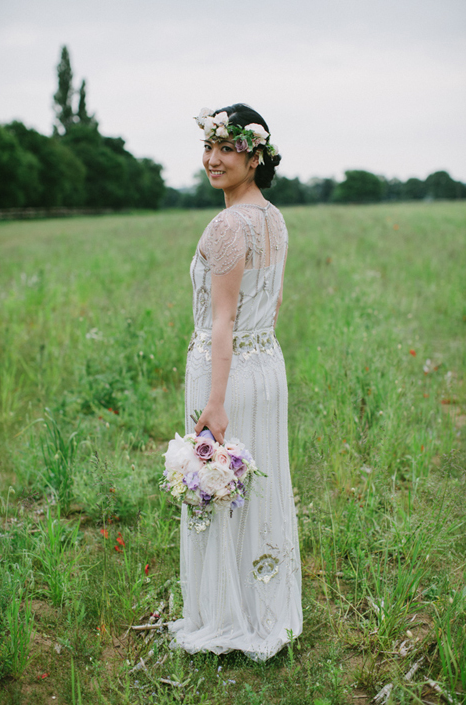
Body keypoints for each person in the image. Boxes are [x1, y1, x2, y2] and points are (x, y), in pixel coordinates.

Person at [168, 104, 302, 661]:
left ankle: (226, 618)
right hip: (265, 366)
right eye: (210, 147)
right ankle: (260, 606)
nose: (213, 159)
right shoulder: (274, 218)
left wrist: (215, 402)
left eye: (227, 149)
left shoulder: (228, 225)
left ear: (255, 156)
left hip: (226, 373)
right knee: (255, 489)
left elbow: (222, 320)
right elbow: (266, 313)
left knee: (220, 490)